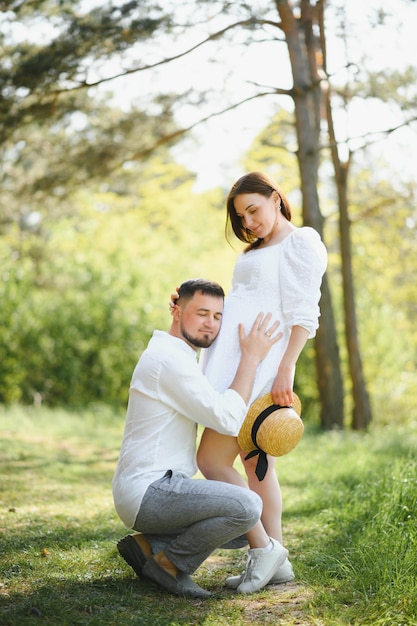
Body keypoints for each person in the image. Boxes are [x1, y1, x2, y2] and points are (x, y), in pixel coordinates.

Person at [177, 172, 328, 592]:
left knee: (211, 461)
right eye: (241, 216)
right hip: (234, 360)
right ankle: (274, 558)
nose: (248, 221)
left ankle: (264, 549)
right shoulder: (256, 249)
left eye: (254, 209)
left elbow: (303, 313)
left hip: (262, 365)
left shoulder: (300, 242)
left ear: (276, 199)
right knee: (257, 466)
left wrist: (285, 369)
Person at [112, 278, 289, 599]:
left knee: (244, 523)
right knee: (247, 506)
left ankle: (147, 547)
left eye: (218, 316)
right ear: (176, 309)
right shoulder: (168, 360)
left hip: (161, 489)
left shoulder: (179, 356)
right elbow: (226, 418)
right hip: (151, 491)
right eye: (201, 313)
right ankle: (169, 565)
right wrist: (251, 358)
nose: (210, 324)